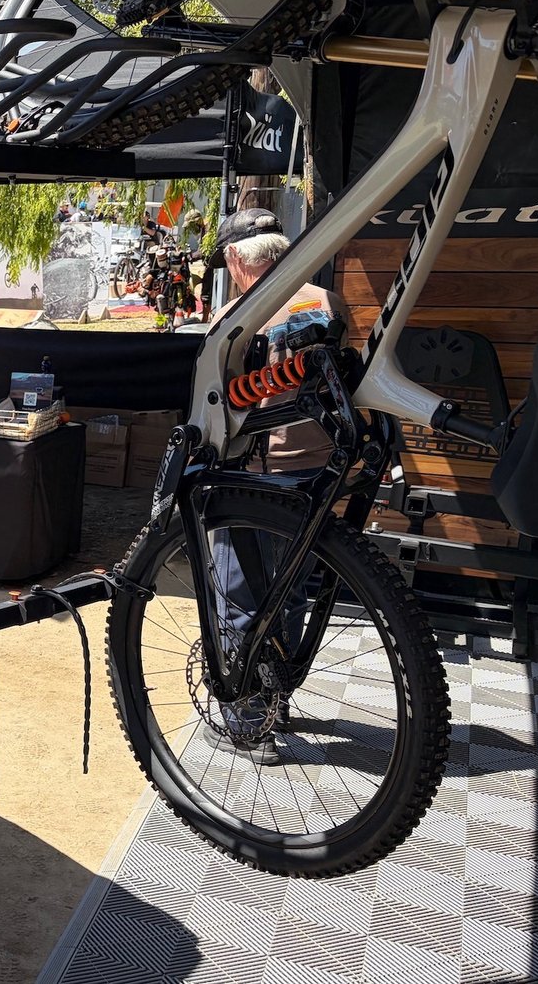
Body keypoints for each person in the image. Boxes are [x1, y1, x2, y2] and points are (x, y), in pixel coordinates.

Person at [205, 208, 351, 764]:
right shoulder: (327, 303)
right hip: (318, 475)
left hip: (254, 480)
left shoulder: (237, 316)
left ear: (239, 260)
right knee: (291, 590)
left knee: (240, 594)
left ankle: (248, 721)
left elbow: (217, 413)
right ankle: (278, 696)